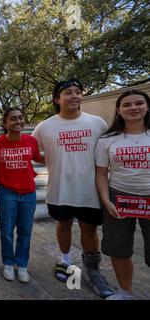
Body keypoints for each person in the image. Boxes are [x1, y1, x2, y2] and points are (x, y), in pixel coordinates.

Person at [32, 79, 114, 298]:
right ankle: (65, 261)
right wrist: (50, 159)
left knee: (89, 228)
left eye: (78, 92)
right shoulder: (45, 126)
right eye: (68, 92)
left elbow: (106, 153)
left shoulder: (97, 123)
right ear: (57, 99)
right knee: (63, 224)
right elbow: (31, 152)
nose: (74, 96)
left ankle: (93, 270)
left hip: (90, 189)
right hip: (60, 188)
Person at [94, 90, 150, 300]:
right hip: (120, 198)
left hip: (149, 196)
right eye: (127, 105)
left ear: (147, 107)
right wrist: (106, 200)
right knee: (119, 249)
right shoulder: (107, 140)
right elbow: (101, 173)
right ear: (118, 110)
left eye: (139, 103)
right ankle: (125, 291)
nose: (133, 108)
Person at [0, 107, 42, 283]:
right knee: (6, 231)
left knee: (25, 231)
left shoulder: (31, 141)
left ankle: (22, 265)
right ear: (5, 123)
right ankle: (8, 262)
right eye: (13, 119)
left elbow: (38, 158)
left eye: (21, 118)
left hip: (28, 193)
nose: (18, 121)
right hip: (7, 193)